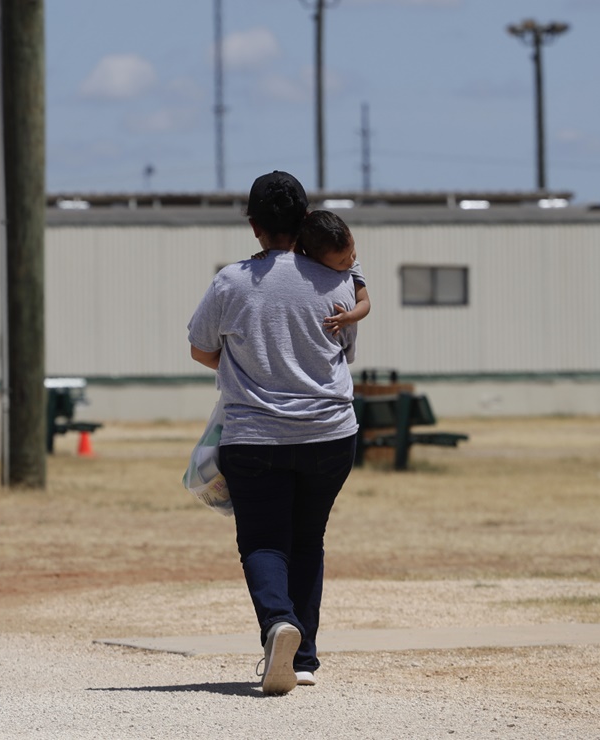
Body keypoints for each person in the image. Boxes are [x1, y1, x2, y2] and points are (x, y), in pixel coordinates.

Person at [187, 170, 359, 695]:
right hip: (331, 432)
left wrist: (239, 363)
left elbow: (200, 348)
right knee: (308, 538)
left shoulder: (231, 281)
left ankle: (278, 624)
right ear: (306, 220)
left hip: (255, 435)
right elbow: (344, 352)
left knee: (263, 539)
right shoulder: (339, 281)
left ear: (254, 225)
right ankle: (303, 659)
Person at [251, 208, 370, 337]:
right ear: (316, 260)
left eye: (352, 250)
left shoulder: (352, 269)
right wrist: (267, 256)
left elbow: (364, 302)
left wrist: (349, 317)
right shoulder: (304, 263)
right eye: (342, 261)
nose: (351, 260)